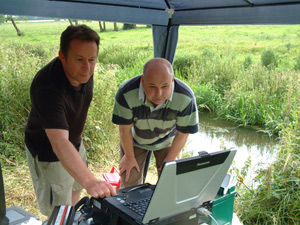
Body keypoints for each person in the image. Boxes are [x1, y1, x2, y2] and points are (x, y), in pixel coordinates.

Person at [25, 24, 116, 217]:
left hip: (74, 143)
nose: (87, 67)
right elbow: (58, 142)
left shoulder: (83, 72)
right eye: (80, 59)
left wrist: (85, 176)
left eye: (92, 60)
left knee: (75, 195)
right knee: (58, 212)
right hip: (49, 152)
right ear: (62, 56)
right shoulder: (47, 86)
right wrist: (91, 181)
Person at [112, 57, 199, 188]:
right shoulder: (126, 92)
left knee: (169, 184)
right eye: (152, 87)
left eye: (165, 86)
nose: (158, 94)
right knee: (129, 180)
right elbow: (124, 130)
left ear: (172, 80)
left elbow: (184, 133)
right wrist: (129, 157)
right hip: (135, 140)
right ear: (143, 80)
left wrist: (170, 159)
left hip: (168, 140)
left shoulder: (186, 97)